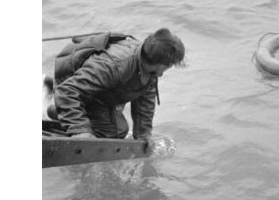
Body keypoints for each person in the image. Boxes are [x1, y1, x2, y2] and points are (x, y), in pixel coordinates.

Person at [46, 28, 185, 151]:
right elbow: (68, 90)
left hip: (94, 88)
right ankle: (65, 112)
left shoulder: (149, 71)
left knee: (118, 131)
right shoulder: (114, 65)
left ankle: (61, 111)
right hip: (69, 79)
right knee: (109, 135)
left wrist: (143, 135)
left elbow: (145, 103)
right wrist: (79, 130)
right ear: (162, 65)